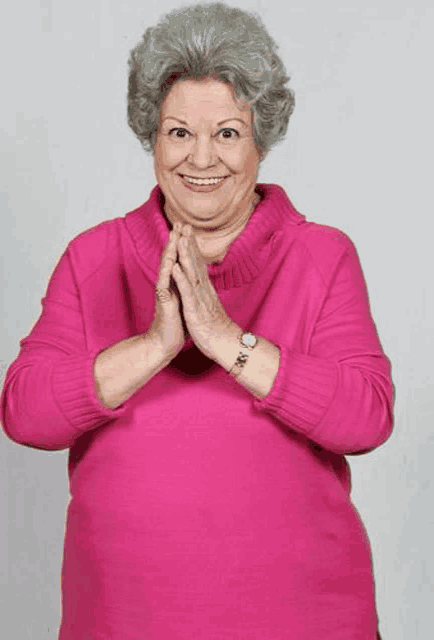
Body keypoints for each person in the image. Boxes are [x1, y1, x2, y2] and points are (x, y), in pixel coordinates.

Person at [1, 2, 393, 638]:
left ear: (261, 141)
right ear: (151, 136)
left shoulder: (321, 255)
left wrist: (223, 340)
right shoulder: (94, 257)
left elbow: (367, 416)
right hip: (122, 624)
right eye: (179, 132)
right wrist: (157, 344)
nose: (201, 158)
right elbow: (25, 411)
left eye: (228, 133)